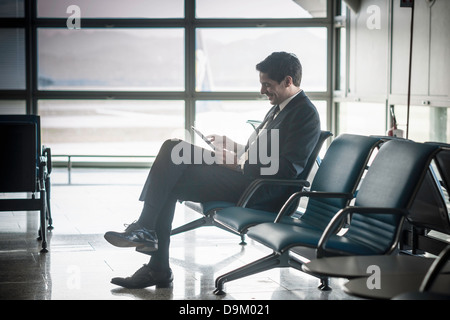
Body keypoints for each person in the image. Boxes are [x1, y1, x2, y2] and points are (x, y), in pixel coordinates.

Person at [104, 52, 321, 289]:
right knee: (173, 154)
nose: (262, 91)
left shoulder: (305, 114)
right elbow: (261, 152)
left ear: (288, 81)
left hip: (263, 193)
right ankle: (156, 261)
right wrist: (233, 146)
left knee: (173, 157)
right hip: (248, 179)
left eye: (267, 85)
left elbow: (289, 169)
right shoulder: (279, 107)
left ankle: (151, 249)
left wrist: (237, 164)